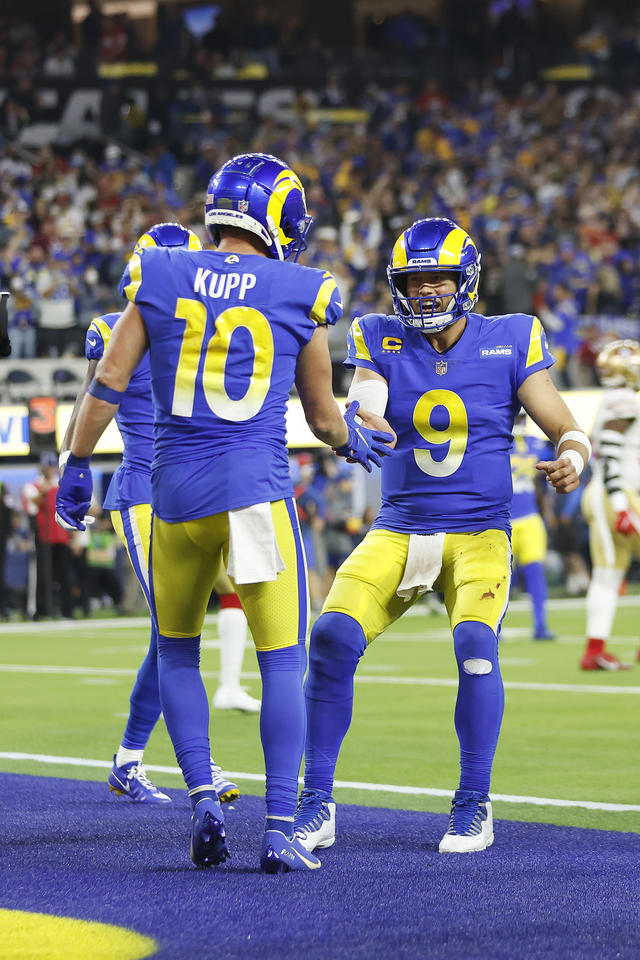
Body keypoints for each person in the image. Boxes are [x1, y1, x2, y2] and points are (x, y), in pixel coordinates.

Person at [55, 153, 394, 872]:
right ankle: (277, 828)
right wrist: (350, 437)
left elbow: (109, 383)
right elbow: (323, 415)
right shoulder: (303, 288)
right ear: (278, 219)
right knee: (281, 661)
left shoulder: (159, 272)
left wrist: (76, 465)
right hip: (254, 492)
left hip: (171, 495)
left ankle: (204, 794)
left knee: (177, 650)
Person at [292, 216, 591, 856]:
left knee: (476, 646)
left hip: (479, 531)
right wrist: (359, 418)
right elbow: (367, 394)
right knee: (332, 635)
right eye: (415, 280)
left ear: (467, 280)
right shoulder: (379, 335)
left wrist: (574, 456)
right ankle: (315, 802)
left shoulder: (511, 337)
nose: (427, 291)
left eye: (440, 278)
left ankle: (473, 804)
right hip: (399, 527)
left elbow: (564, 424)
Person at [61, 222, 243, 807]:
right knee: (174, 628)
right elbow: (93, 401)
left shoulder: (212, 330)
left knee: (168, 632)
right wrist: (73, 464)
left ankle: (127, 761)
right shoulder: (115, 331)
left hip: (203, 491)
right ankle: (199, 764)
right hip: (143, 490)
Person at [580, 339, 640, 671]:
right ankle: (594, 651)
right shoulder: (623, 399)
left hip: (609, 493)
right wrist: (620, 505)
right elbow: (614, 455)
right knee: (606, 574)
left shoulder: (616, 398)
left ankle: (595, 650)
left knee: (607, 574)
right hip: (614, 494)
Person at [510, 414, 555, 640]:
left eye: (521, 418)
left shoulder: (535, 444)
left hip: (529, 517)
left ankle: (541, 625)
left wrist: (546, 510)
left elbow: (543, 479)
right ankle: (493, 628)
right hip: (502, 520)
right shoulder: (495, 443)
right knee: (499, 579)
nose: (519, 423)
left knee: (535, 573)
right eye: (515, 419)